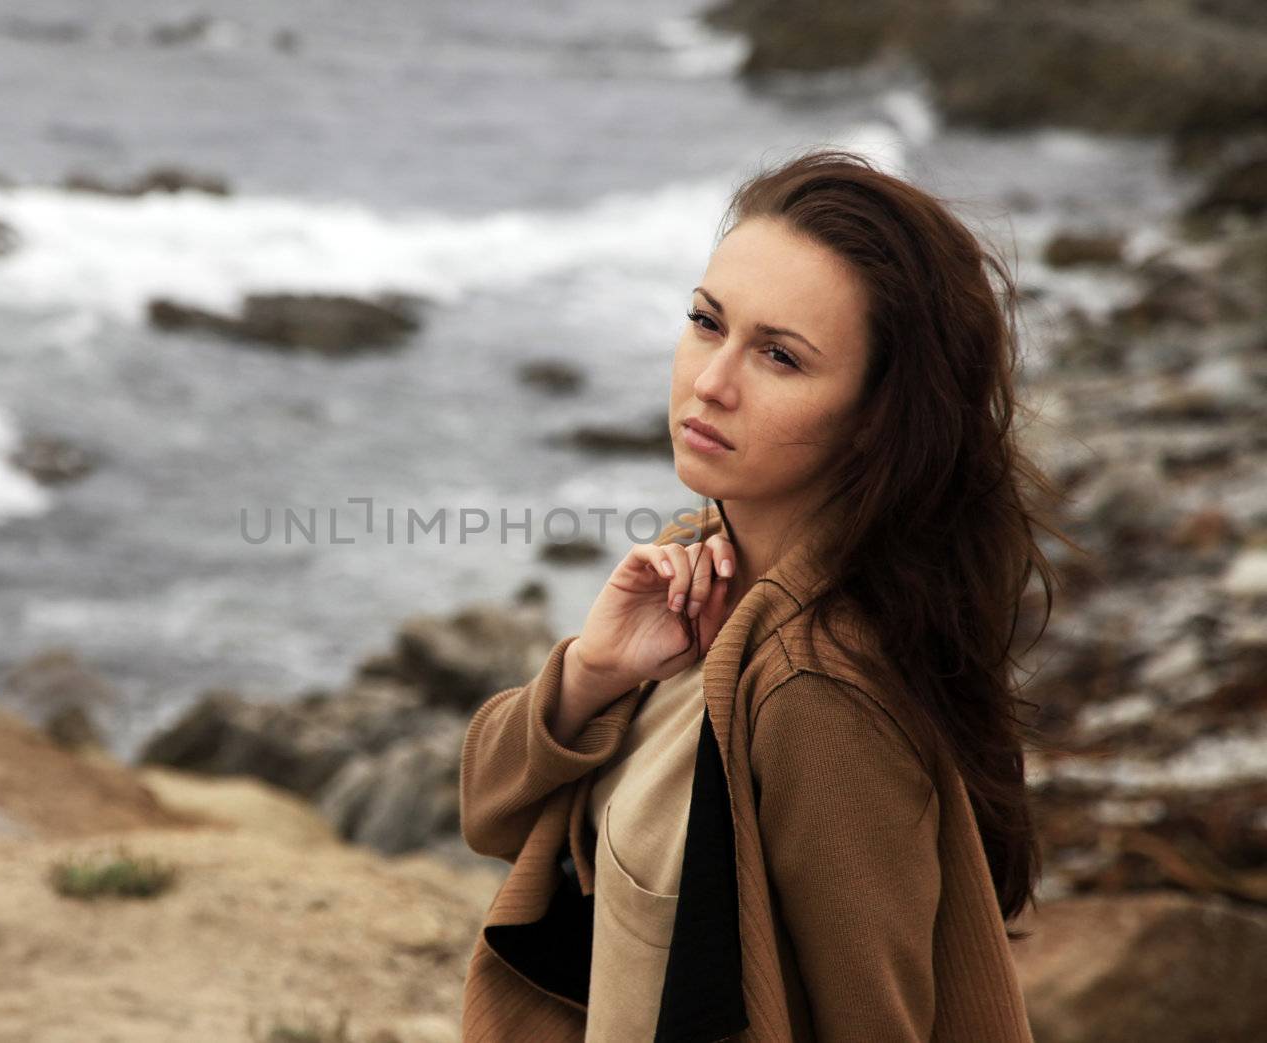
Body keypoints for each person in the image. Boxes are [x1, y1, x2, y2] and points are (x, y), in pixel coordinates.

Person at [458, 147, 1078, 1042]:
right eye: (708, 323)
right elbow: (490, 814)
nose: (711, 382)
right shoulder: (695, 565)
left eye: (780, 357)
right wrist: (592, 672)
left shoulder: (815, 692)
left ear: (874, 419)